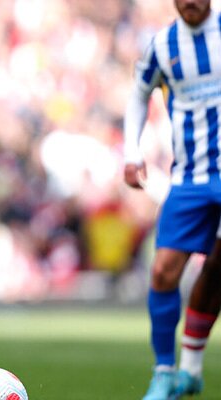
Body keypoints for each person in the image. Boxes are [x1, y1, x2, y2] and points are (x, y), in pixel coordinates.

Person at [123, 0, 221, 398]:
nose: (191, 3)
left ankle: (191, 369)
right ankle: (166, 370)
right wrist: (132, 151)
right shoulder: (162, 45)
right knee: (163, 272)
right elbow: (138, 94)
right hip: (190, 177)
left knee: (216, 269)